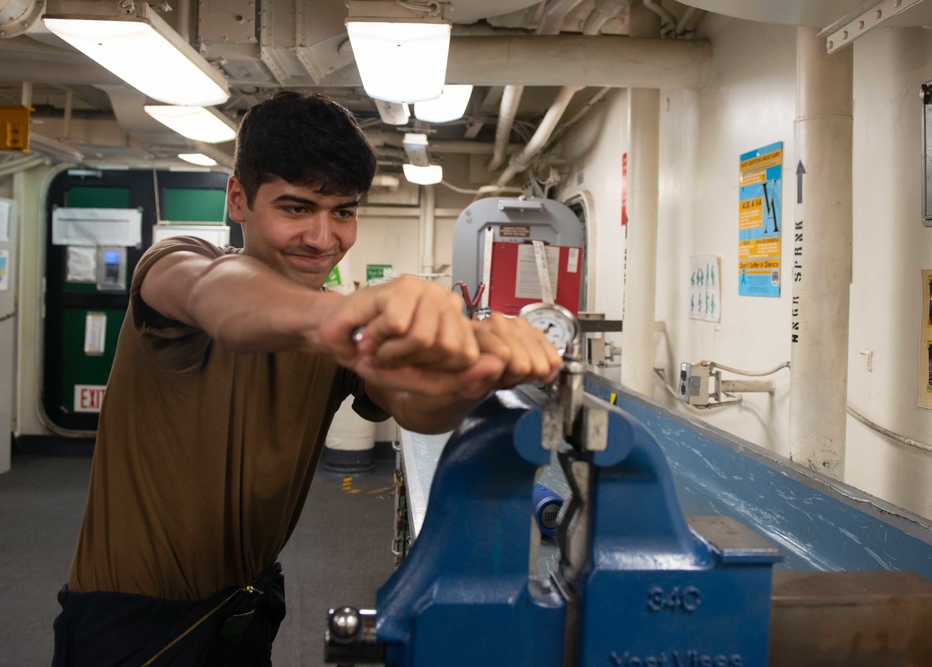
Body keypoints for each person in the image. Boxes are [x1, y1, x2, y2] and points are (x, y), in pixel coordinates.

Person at [51, 91, 561, 666]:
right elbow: (216, 297)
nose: (324, 238)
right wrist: (343, 315)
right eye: (296, 208)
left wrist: (475, 372)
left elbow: (416, 404)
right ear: (239, 199)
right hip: (131, 625)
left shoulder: (336, 333)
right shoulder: (178, 264)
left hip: (244, 610)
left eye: (343, 211)